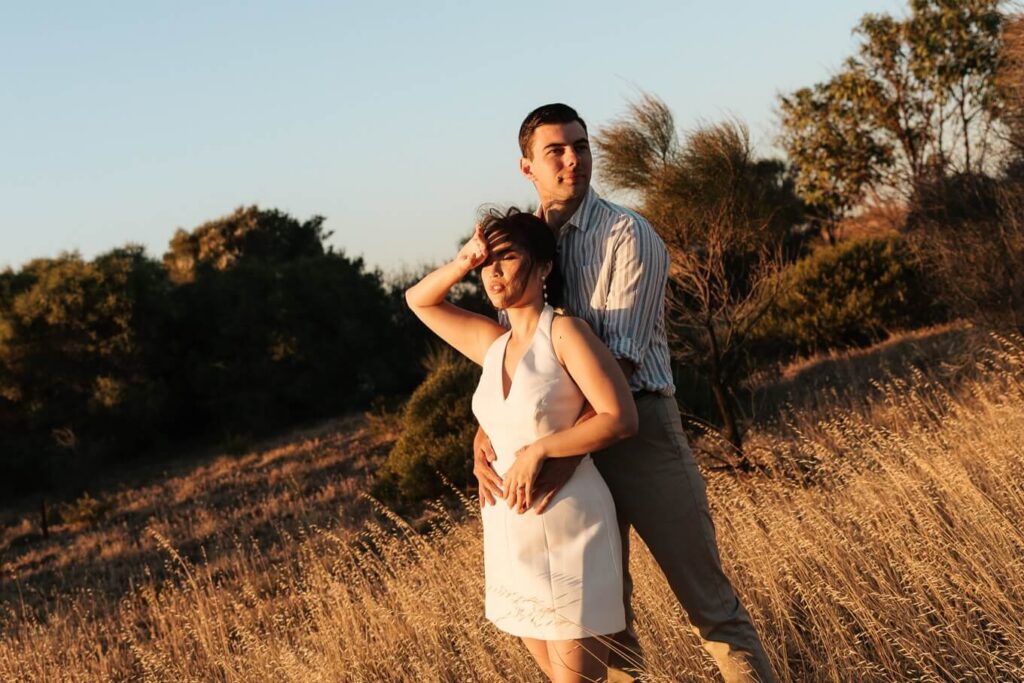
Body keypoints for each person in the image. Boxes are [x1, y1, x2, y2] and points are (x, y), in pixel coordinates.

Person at [472, 103, 778, 683]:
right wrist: (489, 430)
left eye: (581, 146)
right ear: (526, 166)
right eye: (556, 151)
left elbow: (621, 360)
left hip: (638, 434)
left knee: (710, 608)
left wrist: (562, 453)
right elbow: (518, 350)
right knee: (601, 624)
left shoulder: (626, 235)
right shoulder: (520, 245)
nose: (573, 160)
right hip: (560, 445)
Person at [406, 208, 640, 683]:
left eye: (507, 257)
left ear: (544, 267)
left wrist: (540, 450)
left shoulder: (565, 333)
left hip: (569, 526)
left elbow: (620, 418)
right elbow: (419, 301)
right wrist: (465, 259)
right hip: (509, 537)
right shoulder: (492, 344)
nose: (493, 271)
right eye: (486, 261)